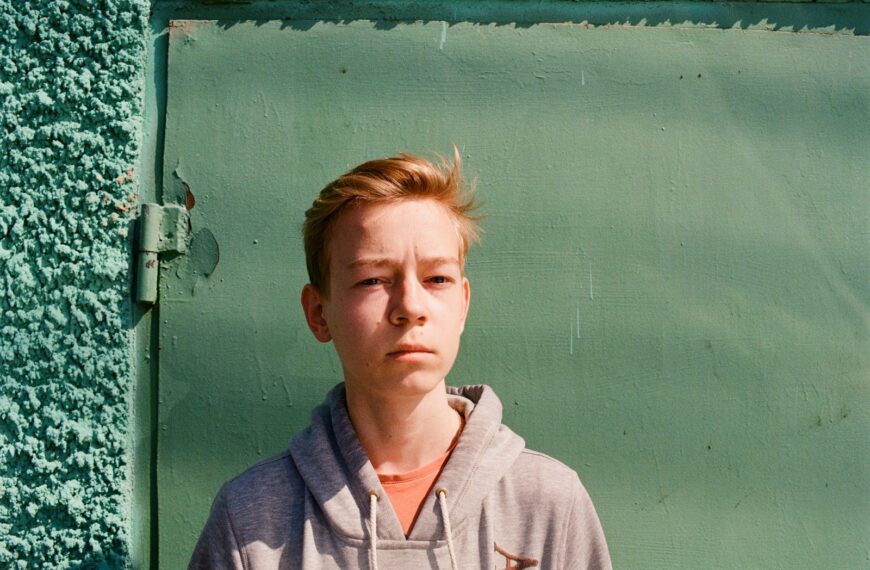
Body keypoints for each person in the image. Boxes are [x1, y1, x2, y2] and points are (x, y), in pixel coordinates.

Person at [189, 149, 611, 569]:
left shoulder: (548, 503)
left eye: (436, 279)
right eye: (372, 280)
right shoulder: (250, 521)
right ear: (319, 313)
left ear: (463, 304)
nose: (410, 306)